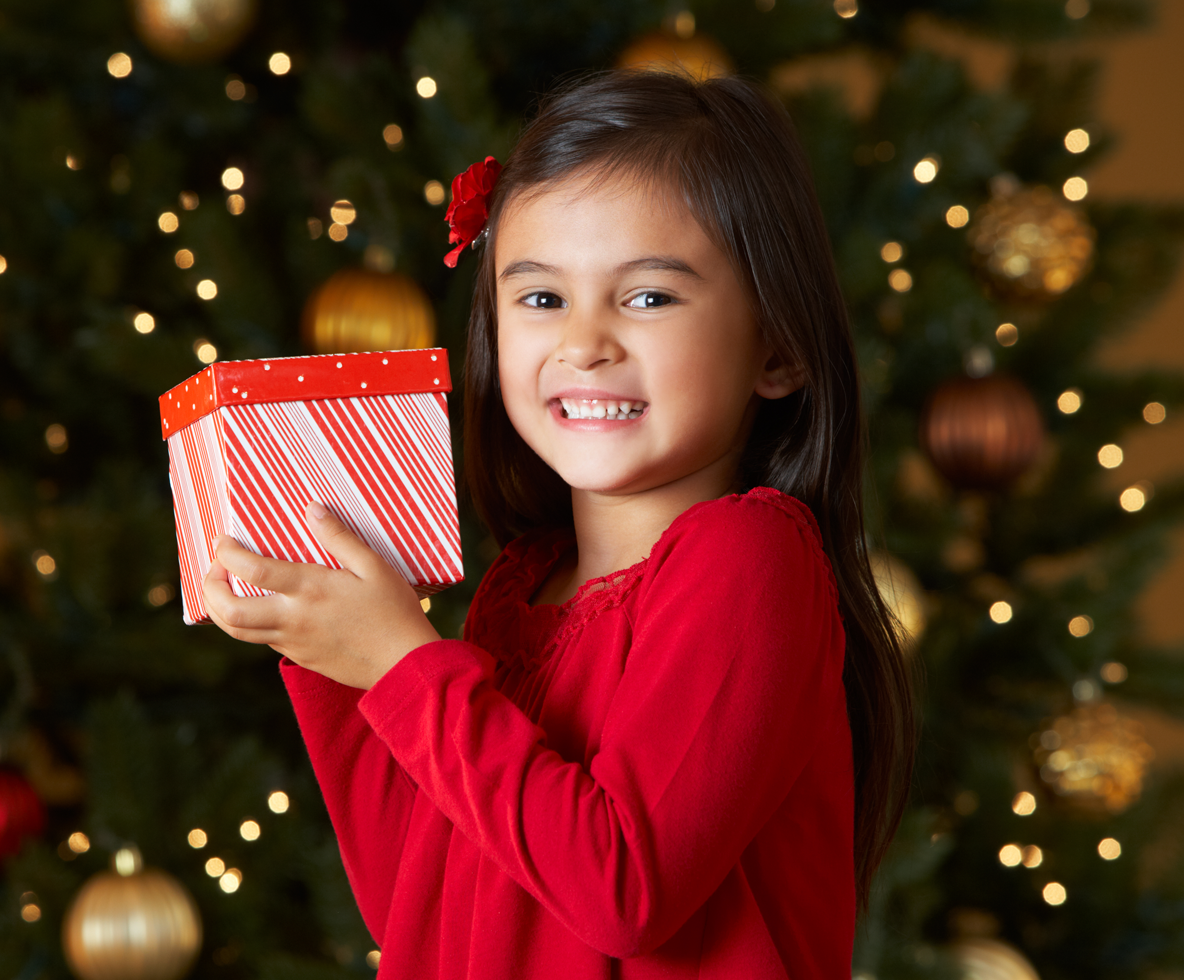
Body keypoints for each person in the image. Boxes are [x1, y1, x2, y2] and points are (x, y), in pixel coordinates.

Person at [203, 69, 916, 979]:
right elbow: (419, 897)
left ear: (776, 346)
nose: (584, 343)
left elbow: (623, 890)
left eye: (648, 297)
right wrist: (331, 653)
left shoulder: (752, 557)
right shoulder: (520, 586)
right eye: (541, 299)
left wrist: (396, 660)